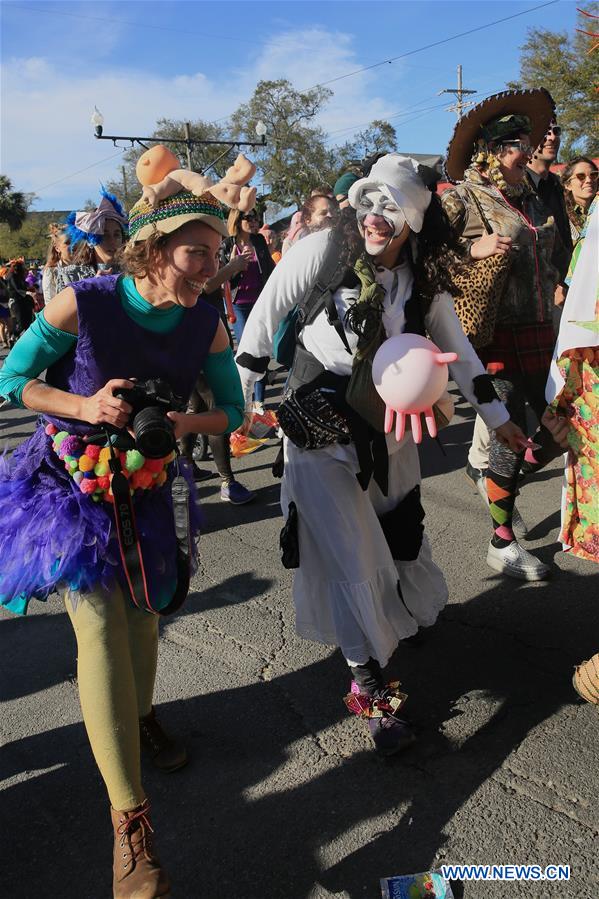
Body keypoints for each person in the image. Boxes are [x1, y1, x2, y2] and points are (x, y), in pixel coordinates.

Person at [235, 153, 528, 755]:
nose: (372, 216)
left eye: (390, 206)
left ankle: (396, 619)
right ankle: (374, 694)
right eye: (367, 200)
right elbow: (262, 319)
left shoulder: (423, 284)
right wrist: (247, 399)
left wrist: (499, 423)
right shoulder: (322, 251)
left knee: (397, 534)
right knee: (351, 556)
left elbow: (462, 356)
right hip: (316, 428)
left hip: (393, 430)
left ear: (415, 221)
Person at [0, 182, 245, 897]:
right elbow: (13, 376)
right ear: (153, 248)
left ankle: (139, 719)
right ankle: (130, 830)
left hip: (143, 482)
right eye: (194, 251)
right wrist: (86, 404)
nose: (207, 265)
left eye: (216, 252)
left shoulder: (209, 323)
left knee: (145, 618)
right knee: (102, 629)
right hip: (69, 483)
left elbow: (230, 410)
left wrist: (176, 426)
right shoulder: (88, 300)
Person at [442, 89, 565, 581]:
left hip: (542, 329)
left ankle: (494, 479)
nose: (527, 150)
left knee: (563, 428)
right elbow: (426, 263)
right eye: (515, 143)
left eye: (527, 141)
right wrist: (471, 253)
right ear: (491, 152)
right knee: (508, 440)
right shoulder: (464, 199)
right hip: (497, 336)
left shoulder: (532, 196)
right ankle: (501, 541)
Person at [224, 208, 275, 414]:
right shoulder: (228, 244)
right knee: (248, 350)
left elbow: (270, 269)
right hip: (239, 304)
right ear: (237, 220)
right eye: (249, 218)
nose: (254, 221)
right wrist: (236, 267)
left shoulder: (259, 241)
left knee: (262, 347)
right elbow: (223, 277)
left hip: (260, 302)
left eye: (256, 217)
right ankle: (244, 399)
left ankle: (259, 402)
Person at [525, 119, 572, 324]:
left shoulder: (555, 184)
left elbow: (562, 238)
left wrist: (566, 281)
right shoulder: (516, 185)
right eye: (545, 132)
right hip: (532, 299)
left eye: (556, 131)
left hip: (561, 291)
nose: (552, 137)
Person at [560, 156, 598, 248]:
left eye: (593, 175)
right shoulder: (561, 216)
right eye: (581, 176)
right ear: (568, 185)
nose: (589, 180)